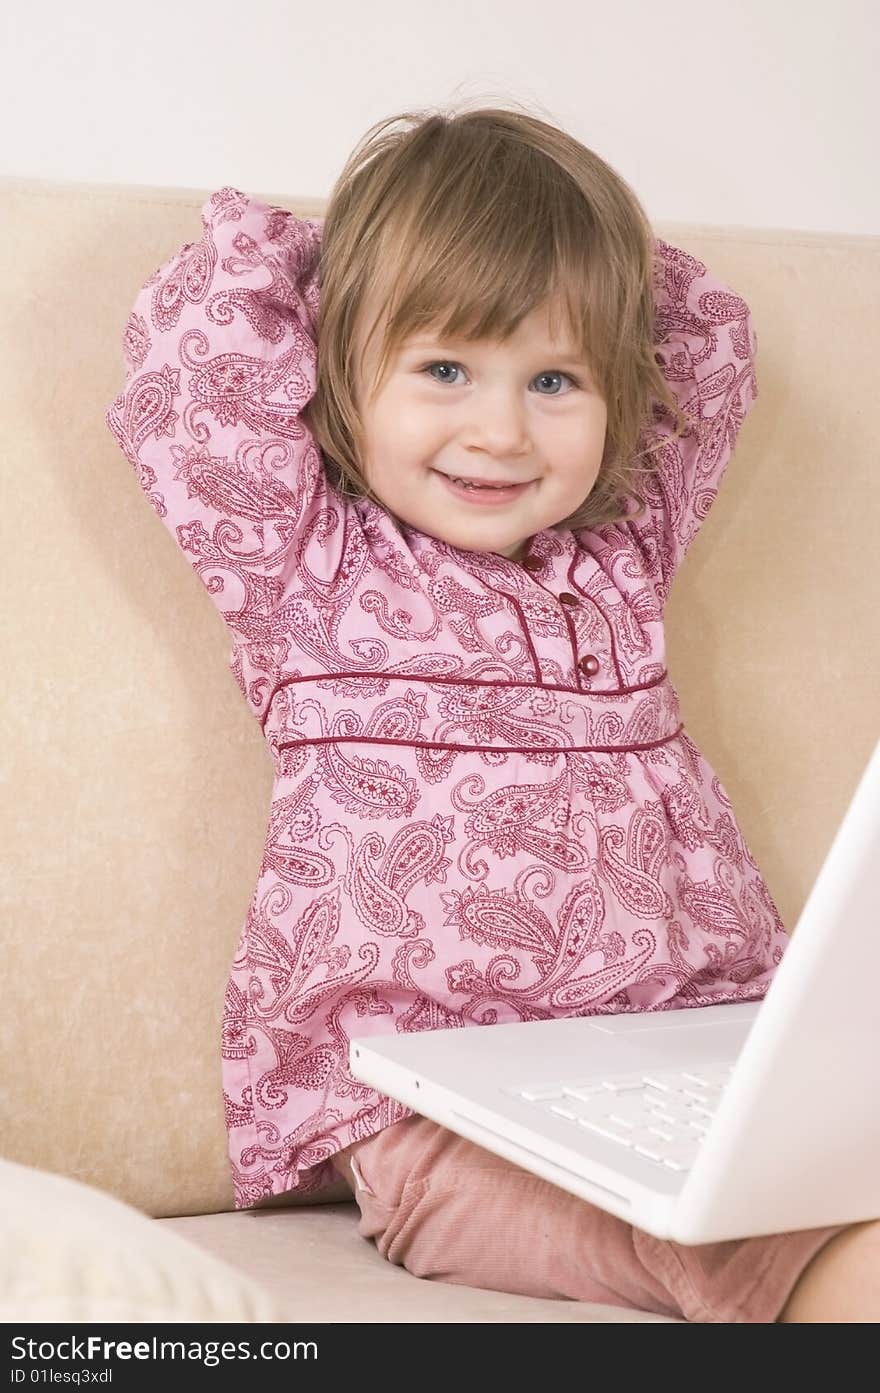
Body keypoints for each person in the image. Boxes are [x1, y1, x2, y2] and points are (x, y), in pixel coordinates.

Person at [104, 103, 879, 1322]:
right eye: (445, 369)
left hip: (683, 1062)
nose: (502, 430)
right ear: (336, 369)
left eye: (555, 380)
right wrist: (348, 266)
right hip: (426, 1127)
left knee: (790, 1167)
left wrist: (557, 278)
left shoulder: (619, 557)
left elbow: (706, 338)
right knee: (713, 1243)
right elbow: (188, 363)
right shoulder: (304, 566)